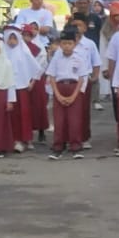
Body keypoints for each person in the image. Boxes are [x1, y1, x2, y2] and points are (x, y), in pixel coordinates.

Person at [45, 28, 89, 159]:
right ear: (60, 44)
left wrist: (74, 95)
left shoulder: (80, 58)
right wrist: (57, 95)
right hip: (60, 87)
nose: (66, 46)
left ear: (74, 44)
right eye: (64, 43)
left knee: (74, 120)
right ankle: (58, 146)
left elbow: (82, 78)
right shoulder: (57, 58)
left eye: (69, 43)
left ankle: (75, 146)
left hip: (74, 88)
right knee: (60, 120)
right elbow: (51, 77)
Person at [3, 28, 39, 153]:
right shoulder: (3, 52)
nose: (12, 41)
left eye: (14, 38)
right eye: (10, 38)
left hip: (21, 87)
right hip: (7, 87)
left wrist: (32, 81)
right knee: (11, 115)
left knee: (23, 113)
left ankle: (26, 138)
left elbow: (35, 67)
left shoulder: (23, 51)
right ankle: (14, 139)